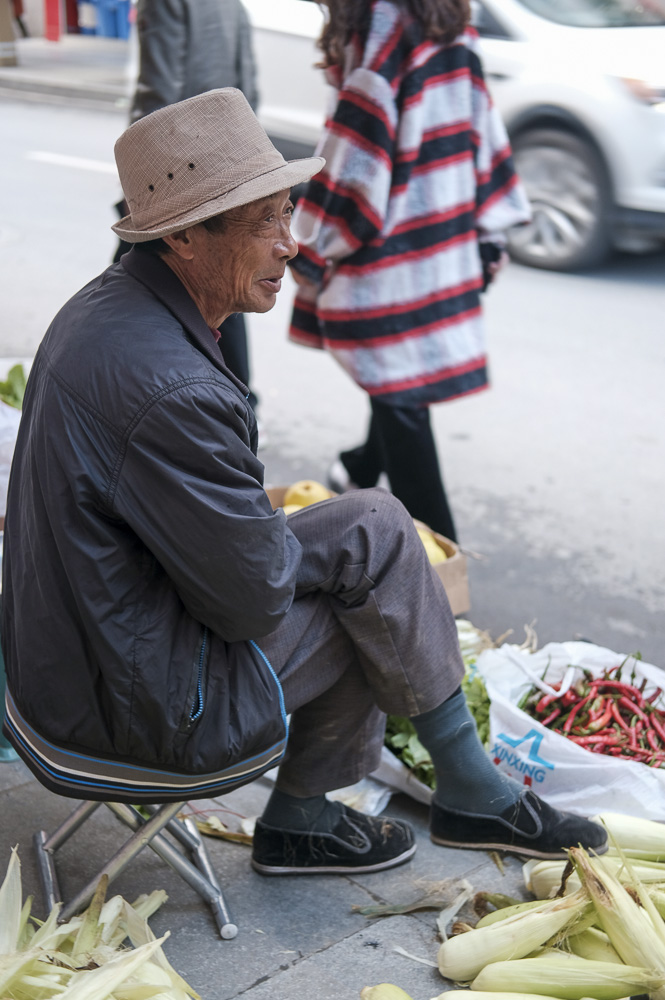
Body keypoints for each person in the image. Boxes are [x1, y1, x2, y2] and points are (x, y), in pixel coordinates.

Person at [1, 89, 606, 875]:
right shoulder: (172, 386)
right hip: (131, 713)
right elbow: (251, 602)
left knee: (370, 536)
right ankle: (385, 804)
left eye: (287, 214)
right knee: (373, 582)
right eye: (266, 222)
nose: (290, 244)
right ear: (183, 235)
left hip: (61, 673)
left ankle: (375, 804)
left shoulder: (103, 308)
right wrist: (307, 548)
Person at [288, 0, 532, 542]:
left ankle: (442, 559)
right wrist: (487, 230)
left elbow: (357, 158)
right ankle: (359, 467)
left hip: (391, 249)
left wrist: (310, 243)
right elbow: (482, 127)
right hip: (443, 233)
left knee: (398, 393)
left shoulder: (382, 25)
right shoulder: (448, 20)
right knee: (398, 378)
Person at [113, 0, 260, 412]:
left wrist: (140, 189)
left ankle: (225, 403)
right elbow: (248, 88)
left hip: (178, 177)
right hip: (226, 168)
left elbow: (156, 97)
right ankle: (240, 401)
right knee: (222, 289)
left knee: (131, 292)